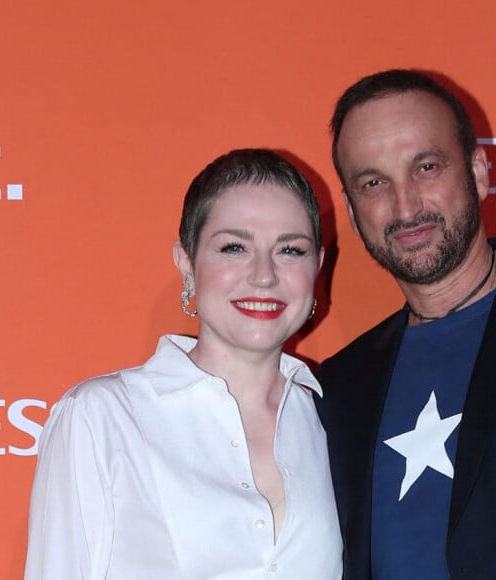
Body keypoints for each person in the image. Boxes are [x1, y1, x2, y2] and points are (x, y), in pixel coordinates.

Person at [24, 149, 343, 579]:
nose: (264, 275)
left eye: (290, 250)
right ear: (187, 263)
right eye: (234, 247)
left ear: (317, 267)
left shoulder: (333, 423)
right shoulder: (101, 417)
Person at [314, 69, 496, 579]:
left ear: (480, 172)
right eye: (373, 182)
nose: (405, 206)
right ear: (354, 214)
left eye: (425, 166)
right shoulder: (337, 387)